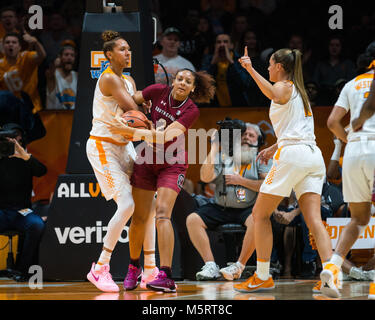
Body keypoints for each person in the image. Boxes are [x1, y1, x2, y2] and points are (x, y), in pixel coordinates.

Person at [234, 47, 333, 293]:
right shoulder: (300, 91)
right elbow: (296, 130)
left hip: (293, 157)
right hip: (312, 155)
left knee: (259, 215)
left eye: (269, 64)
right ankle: (331, 275)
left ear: (279, 66)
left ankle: (263, 275)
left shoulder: (284, 86)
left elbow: (273, 93)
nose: (267, 68)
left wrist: (249, 69)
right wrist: (274, 146)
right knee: (313, 220)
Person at [111, 68, 215, 293]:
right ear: (174, 80)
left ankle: (165, 275)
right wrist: (133, 113)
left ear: (193, 88)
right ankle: (133, 267)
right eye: (180, 79)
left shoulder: (191, 110)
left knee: (162, 214)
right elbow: (131, 99)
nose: (182, 83)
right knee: (138, 217)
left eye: (188, 82)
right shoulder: (157, 91)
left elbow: (167, 135)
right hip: (147, 160)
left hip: (172, 162)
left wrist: (136, 132)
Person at [85, 30, 158, 293]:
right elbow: (135, 110)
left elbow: (140, 103)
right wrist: (146, 113)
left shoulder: (128, 79)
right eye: (122, 49)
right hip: (103, 147)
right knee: (127, 204)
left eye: (129, 49)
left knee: (148, 202)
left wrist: (151, 100)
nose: (128, 53)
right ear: (108, 54)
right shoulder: (109, 79)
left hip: (124, 145)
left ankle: (150, 270)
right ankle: (100, 267)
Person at [186, 122, 271, 281]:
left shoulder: (262, 158)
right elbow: (205, 177)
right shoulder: (223, 156)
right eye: (243, 135)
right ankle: (210, 265)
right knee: (192, 220)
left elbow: (267, 186)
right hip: (220, 206)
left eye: (251, 135)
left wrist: (242, 181)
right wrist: (214, 148)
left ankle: (238, 266)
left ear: (259, 141)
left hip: (247, 207)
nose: (246, 138)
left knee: (256, 220)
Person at [324, 44, 375, 299]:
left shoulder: (351, 84)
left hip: (354, 152)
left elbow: (332, 122)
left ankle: (333, 266)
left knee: (358, 218)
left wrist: (348, 140)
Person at [0, 122, 46, 281]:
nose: (13, 145)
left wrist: (25, 156)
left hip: (21, 211)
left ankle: (23, 270)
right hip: (1, 211)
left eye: (17, 141)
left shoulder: (27, 159)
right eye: (8, 141)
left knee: (37, 224)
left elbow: (42, 171)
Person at [0, 32, 46, 113]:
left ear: (19, 47)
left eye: (14, 42)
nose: (11, 44)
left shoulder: (27, 57)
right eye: (7, 42)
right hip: (10, 111)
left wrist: (36, 43)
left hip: (32, 109)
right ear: (3, 47)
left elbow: (42, 56)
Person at [201, 33, 251, 107]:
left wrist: (231, 62)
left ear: (231, 45)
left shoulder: (240, 60)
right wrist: (213, 63)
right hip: (214, 107)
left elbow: (244, 84)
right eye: (219, 42)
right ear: (215, 45)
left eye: (225, 42)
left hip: (238, 105)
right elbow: (202, 84)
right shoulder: (208, 60)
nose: (222, 45)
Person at [45, 43, 78, 110]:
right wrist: (54, 64)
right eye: (66, 55)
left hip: (71, 117)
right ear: (59, 57)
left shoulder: (77, 76)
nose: (69, 57)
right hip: (55, 117)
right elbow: (49, 73)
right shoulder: (53, 74)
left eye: (72, 55)